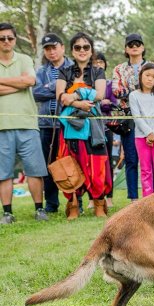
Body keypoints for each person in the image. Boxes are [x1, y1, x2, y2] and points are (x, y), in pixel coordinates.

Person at [56, 32, 112, 219]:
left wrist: (76, 94)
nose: (82, 50)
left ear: (91, 50)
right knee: (71, 164)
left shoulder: (98, 71)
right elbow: (60, 96)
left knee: (97, 166)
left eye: (86, 47)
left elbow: (100, 94)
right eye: (77, 47)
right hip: (70, 126)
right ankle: (73, 205)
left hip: (93, 127)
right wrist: (77, 103)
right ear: (72, 50)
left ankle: (98, 203)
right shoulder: (65, 71)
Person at [0, 22, 49, 224]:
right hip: (2, 126)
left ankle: (39, 209)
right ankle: (7, 213)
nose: (6, 41)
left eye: (10, 38)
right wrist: (18, 83)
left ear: (15, 39)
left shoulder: (24, 58)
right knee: (3, 173)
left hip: (28, 124)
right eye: (2, 38)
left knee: (35, 170)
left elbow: (30, 81)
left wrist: (7, 82)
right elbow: (23, 83)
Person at [33, 33, 74, 213]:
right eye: (47, 49)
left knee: (71, 162)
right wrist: (58, 88)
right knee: (49, 164)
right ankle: (51, 203)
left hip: (69, 124)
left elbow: (74, 90)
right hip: (46, 124)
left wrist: (58, 89)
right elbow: (36, 93)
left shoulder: (73, 67)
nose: (51, 52)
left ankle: (74, 201)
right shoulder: (41, 71)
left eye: (54, 47)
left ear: (62, 47)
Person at [112, 33, 150, 202]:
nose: (134, 46)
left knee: (150, 161)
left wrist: (130, 90)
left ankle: (151, 196)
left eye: (138, 43)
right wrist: (140, 89)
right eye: (130, 44)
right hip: (128, 119)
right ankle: (134, 199)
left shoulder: (151, 66)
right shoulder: (118, 69)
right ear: (126, 49)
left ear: (142, 47)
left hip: (150, 118)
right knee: (131, 159)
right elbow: (116, 91)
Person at [129, 63, 154, 196]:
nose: (150, 79)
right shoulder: (134, 95)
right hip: (141, 137)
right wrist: (148, 133)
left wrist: (153, 134)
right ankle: (147, 200)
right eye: (147, 75)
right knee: (145, 170)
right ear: (140, 76)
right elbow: (137, 117)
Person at [88, 52, 118, 208]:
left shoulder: (109, 83)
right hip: (90, 127)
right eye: (95, 62)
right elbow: (96, 101)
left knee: (107, 163)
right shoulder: (87, 82)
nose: (98, 65)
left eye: (101, 62)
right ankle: (92, 199)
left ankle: (109, 196)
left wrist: (102, 102)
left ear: (105, 64)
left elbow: (111, 103)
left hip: (106, 127)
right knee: (91, 163)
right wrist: (101, 101)